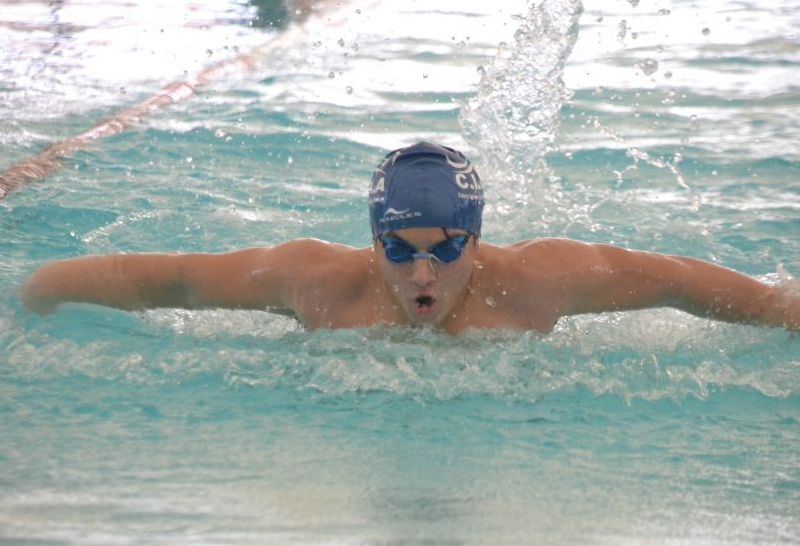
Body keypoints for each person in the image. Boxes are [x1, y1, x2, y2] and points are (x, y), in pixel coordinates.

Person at [21, 141, 799, 334]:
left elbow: (677, 282)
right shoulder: (315, 282)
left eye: (444, 248)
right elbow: (173, 280)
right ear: (372, 244)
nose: (421, 269)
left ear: (476, 241)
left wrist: (776, 308)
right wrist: (32, 287)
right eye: (399, 248)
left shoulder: (540, 280)